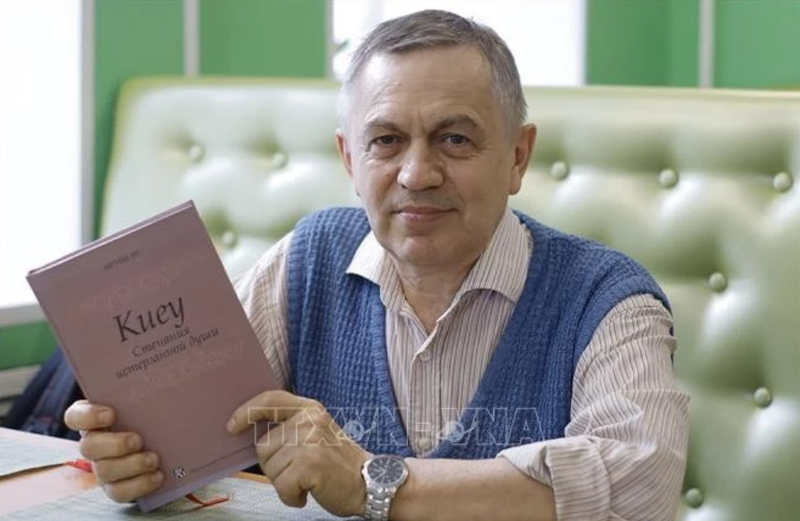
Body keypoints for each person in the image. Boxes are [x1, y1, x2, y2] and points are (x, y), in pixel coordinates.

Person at [64, 9, 689, 521]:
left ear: (518, 157)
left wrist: (371, 482)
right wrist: (138, 464)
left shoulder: (605, 297)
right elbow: (189, 435)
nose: (417, 174)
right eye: (387, 140)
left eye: (455, 138)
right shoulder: (309, 260)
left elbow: (641, 487)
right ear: (349, 159)